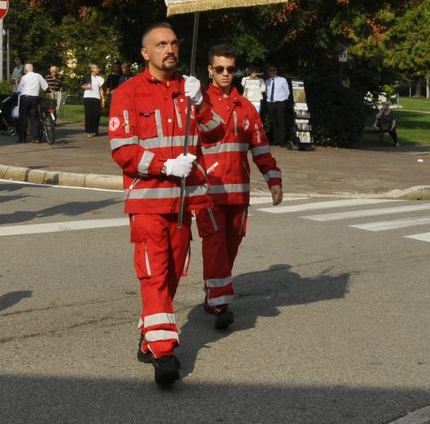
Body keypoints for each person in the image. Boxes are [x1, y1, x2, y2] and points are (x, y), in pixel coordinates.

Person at [108, 22, 226, 388]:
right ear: (145, 53)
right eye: (160, 44)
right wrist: (164, 165)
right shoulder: (127, 93)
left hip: (182, 204)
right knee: (154, 275)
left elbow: (217, 133)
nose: (169, 49)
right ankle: (164, 354)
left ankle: (149, 332)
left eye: (173, 43)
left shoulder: (190, 91)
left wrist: (201, 104)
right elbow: (122, 150)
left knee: (172, 274)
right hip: (146, 204)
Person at [195, 45, 283, 330]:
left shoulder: (246, 108)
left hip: (238, 193)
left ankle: (214, 292)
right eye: (219, 69)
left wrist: (273, 178)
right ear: (210, 70)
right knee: (216, 245)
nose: (225, 74)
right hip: (208, 192)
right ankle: (220, 304)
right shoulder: (197, 104)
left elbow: (260, 147)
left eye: (230, 70)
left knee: (231, 245)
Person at [15, 62, 48, 143]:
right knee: (34, 118)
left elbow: (19, 90)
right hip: (34, 98)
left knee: (23, 118)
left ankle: (22, 139)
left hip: (25, 98)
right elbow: (45, 87)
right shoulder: (38, 76)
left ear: (25, 70)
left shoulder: (24, 77)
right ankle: (36, 137)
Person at [263, 65, 293, 150]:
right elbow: (266, 92)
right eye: (270, 70)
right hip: (270, 103)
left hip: (280, 103)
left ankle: (282, 141)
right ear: (268, 72)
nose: (272, 72)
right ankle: (275, 140)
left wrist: (284, 101)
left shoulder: (282, 80)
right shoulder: (266, 81)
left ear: (276, 71)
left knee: (281, 122)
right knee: (273, 122)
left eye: (274, 70)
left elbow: (287, 91)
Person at [81, 63, 105, 137]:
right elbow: (82, 86)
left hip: (96, 98)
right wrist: (86, 86)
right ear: (92, 69)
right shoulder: (87, 77)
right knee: (89, 115)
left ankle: (95, 130)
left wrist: (103, 99)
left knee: (96, 115)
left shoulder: (100, 78)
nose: (98, 69)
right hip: (88, 97)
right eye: (96, 68)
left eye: (98, 68)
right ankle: (89, 132)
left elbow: (101, 90)